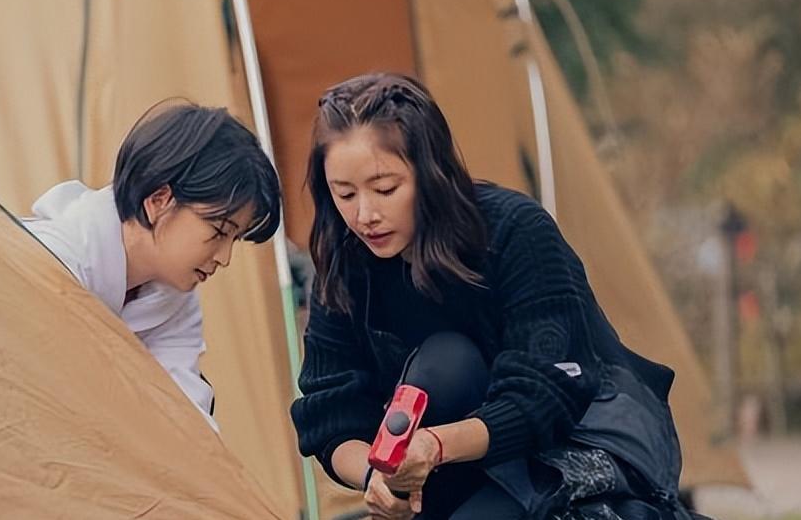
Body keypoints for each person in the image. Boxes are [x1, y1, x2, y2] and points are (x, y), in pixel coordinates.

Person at [290, 73, 699, 519]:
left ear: (430, 175)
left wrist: (434, 445)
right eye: (344, 194)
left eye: (385, 189)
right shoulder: (346, 262)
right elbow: (329, 411)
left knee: (449, 358)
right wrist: (380, 480)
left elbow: (546, 392)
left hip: (562, 448)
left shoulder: (514, 231)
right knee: (445, 361)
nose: (365, 214)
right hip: (441, 473)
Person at [23, 100, 281, 430]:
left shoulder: (177, 303)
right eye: (218, 231)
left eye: (235, 239)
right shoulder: (52, 261)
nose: (224, 257)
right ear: (160, 200)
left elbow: (186, 418)